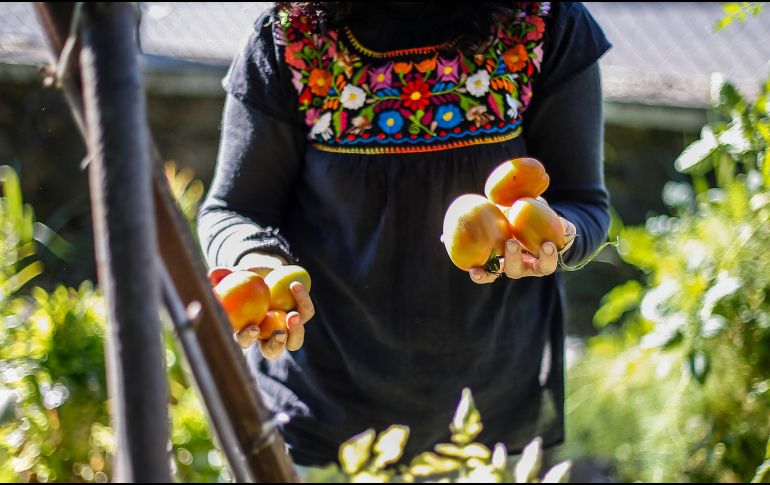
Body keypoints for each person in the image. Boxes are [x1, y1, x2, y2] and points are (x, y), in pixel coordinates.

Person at [198, 1, 611, 468]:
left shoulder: (542, 25)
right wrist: (257, 265)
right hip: (321, 417)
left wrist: (559, 236)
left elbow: (585, 203)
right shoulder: (292, 38)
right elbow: (232, 209)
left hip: (483, 420)